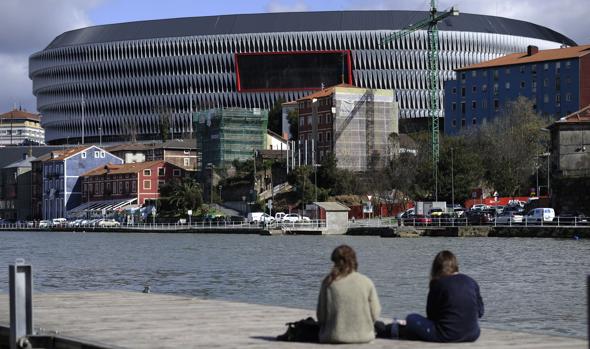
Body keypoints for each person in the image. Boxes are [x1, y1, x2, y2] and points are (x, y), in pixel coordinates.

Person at [376, 250, 484, 342]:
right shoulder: (472, 282)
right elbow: (480, 312)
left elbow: (431, 315)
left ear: (436, 268)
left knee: (411, 318)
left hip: (446, 335)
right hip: (473, 334)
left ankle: (389, 330)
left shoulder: (439, 283)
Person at [317, 245, 381, 344]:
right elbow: (375, 313)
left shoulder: (328, 282)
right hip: (364, 337)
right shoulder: (366, 281)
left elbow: (321, 317)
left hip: (333, 336)